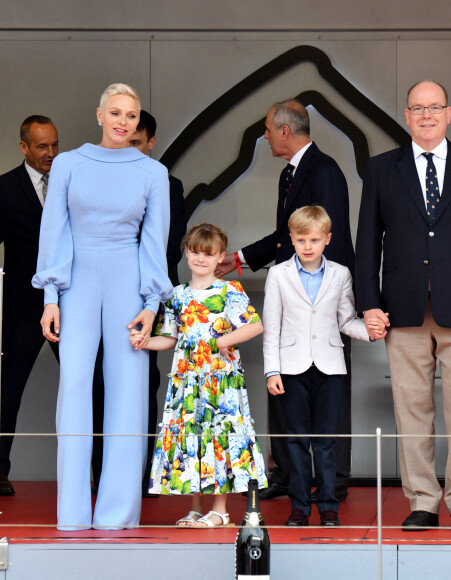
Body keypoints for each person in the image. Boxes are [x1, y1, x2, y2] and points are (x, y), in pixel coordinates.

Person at [355, 80, 451, 531]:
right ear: (406, 115)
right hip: (401, 308)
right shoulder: (382, 169)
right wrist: (368, 303)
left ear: (449, 113)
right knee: (411, 409)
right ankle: (422, 499)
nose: (426, 115)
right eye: (418, 108)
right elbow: (368, 244)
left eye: (435, 107)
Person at [32, 83, 172, 530]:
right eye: (115, 113)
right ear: (99, 114)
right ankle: (72, 514)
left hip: (129, 285)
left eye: (131, 116)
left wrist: (152, 304)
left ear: (138, 122)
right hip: (76, 285)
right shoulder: (69, 164)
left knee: (129, 395)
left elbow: (155, 243)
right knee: (73, 390)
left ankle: (117, 514)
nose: (123, 122)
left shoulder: (154, 172)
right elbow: (54, 231)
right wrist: (50, 297)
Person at [215, 99, 354, 501]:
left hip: (323, 304)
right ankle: (290, 476)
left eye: (267, 129)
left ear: (284, 132)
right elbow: (285, 236)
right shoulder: (292, 173)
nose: (264, 136)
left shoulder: (323, 171)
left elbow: (331, 238)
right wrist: (240, 259)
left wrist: (333, 301)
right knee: (285, 388)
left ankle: (334, 481)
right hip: (292, 298)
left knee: (330, 396)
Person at [133, 223, 267, 528]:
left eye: (208, 254)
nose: (201, 259)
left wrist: (222, 341)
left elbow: (254, 325)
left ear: (220, 256)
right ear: (186, 252)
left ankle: (219, 510)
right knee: (192, 439)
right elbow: (169, 338)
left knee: (218, 438)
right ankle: (196, 507)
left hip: (220, 380)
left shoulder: (229, 290)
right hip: (186, 381)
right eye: (195, 252)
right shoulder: (176, 294)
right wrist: (144, 341)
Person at [91, 109, 187, 497]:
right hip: (102, 294)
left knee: (144, 381)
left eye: (136, 140)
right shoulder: (94, 176)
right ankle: (101, 468)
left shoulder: (167, 183)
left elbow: (167, 245)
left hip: (151, 294)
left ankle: (144, 470)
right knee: (101, 380)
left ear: (149, 143)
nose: (127, 145)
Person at [263, 206, 378, 527]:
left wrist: (370, 331)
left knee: (327, 441)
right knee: (296, 440)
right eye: (301, 240)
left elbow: (346, 321)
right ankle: (299, 507)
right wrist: (272, 370)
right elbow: (272, 326)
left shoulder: (341, 274)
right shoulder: (278, 274)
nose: (308, 246)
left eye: (314, 239)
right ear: (291, 240)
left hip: (330, 368)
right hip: (291, 368)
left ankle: (328, 506)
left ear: (327, 239)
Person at [0, 116, 60, 496]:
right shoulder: (4, 188)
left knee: (87, 387)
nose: (51, 154)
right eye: (42, 147)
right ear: (24, 147)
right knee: (9, 388)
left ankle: (97, 470)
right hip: (23, 306)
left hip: (70, 305)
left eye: (55, 145)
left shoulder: (70, 182)